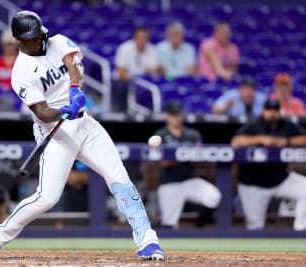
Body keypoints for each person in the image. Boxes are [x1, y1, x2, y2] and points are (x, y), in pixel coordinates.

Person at [0, 10, 165, 261]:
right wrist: (61, 111)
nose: (39, 40)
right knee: (47, 199)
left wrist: (75, 89)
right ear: (18, 40)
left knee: (119, 178)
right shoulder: (20, 73)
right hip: (55, 133)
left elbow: (72, 63)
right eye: (31, 38)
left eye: (39, 35)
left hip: (85, 125)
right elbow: (41, 112)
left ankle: (147, 241)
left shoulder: (57, 41)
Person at [231, 99, 306, 230]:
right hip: (253, 185)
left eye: (275, 111)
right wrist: (260, 138)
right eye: (269, 110)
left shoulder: (286, 125)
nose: (272, 114)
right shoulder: (254, 125)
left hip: (281, 180)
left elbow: (304, 138)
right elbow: (236, 141)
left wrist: (287, 141)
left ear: (279, 112)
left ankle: (301, 230)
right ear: (263, 111)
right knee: (255, 227)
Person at [149, 100, 221, 228]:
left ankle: (197, 228)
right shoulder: (161, 135)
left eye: (178, 114)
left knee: (213, 196)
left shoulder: (192, 134)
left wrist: (178, 157)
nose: (176, 117)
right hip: (169, 183)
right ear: (167, 115)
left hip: (189, 180)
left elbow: (201, 156)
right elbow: (164, 163)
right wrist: (184, 155)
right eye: (173, 114)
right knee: (169, 224)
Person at [112, 26, 159, 112]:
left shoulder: (151, 49)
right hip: (126, 80)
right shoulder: (125, 48)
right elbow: (121, 71)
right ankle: (120, 111)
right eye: (140, 37)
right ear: (135, 38)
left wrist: (142, 79)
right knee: (120, 85)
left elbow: (153, 71)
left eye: (144, 38)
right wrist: (134, 81)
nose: (142, 40)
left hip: (143, 80)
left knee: (154, 85)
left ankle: (150, 112)